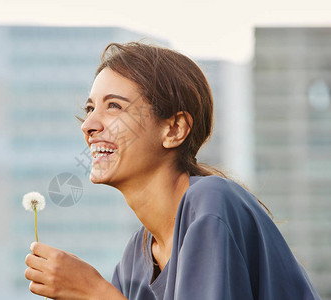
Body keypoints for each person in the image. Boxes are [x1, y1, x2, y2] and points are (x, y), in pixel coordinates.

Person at [24, 42, 321, 299]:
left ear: (174, 129)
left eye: (114, 107)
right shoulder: (135, 259)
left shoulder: (211, 204)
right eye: (90, 109)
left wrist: (94, 292)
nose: (88, 126)